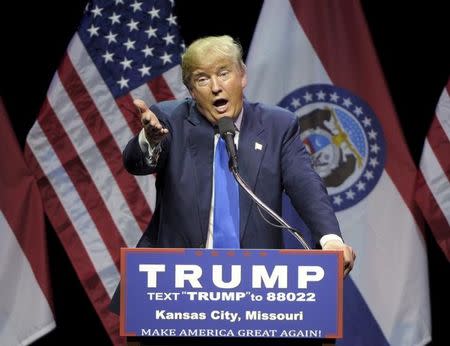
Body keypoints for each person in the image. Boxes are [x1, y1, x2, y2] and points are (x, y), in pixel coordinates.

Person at [112, 35, 355, 345]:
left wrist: (330, 239)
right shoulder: (170, 119)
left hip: (256, 298)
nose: (215, 86)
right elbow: (136, 162)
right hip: (175, 295)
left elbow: (306, 184)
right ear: (190, 89)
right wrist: (151, 141)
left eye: (224, 73)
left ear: (243, 76)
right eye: (202, 78)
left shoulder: (278, 125)